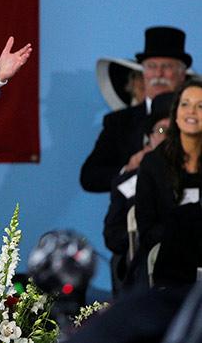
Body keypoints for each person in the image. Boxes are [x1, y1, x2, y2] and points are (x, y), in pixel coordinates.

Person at [80, 26, 190, 193]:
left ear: (182, 75)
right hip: (131, 214)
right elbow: (90, 177)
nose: (159, 73)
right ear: (143, 73)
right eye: (152, 66)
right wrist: (128, 169)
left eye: (167, 66)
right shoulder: (119, 122)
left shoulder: (195, 118)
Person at [103, 91, 172, 294]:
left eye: (174, 131)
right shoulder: (128, 181)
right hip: (142, 263)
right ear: (149, 139)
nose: (167, 138)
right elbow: (112, 236)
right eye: (161, 130)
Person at [135, 79, 202, 287]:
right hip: (167, 262)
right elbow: (146, 229)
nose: (192, 111)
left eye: (200, 106)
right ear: (176, 112)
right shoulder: (153, 163)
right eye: (185, 104)